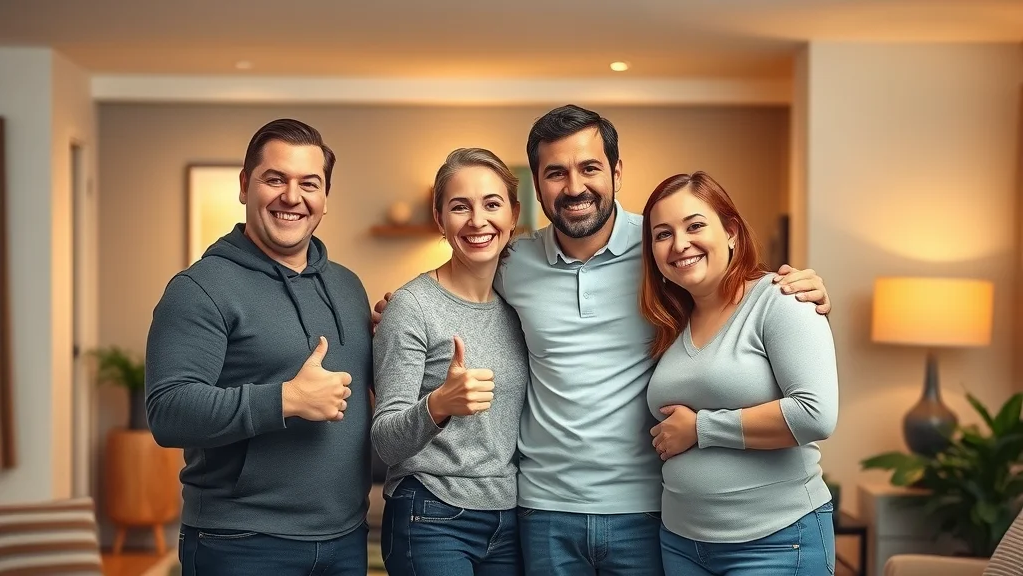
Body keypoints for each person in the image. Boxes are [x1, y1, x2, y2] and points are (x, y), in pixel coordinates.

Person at [374, 104, 832, 575]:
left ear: (616, 172)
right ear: (535, 187)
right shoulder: (514, 262)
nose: (574, 187)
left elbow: (725, 290)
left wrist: (797, 292)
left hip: (647, 507)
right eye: (555, 173)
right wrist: (401, 309)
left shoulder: (662, 249)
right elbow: (459, 289)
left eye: (589, 167)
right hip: (542, 508)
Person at [145, 118, 373, 576]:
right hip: (241, 543)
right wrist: (285, 398)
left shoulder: (348, 287)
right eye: (275, 179)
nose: (292, 197)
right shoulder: (200, 288)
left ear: (325, 198)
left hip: (346, 538)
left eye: (309, 183)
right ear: (246, 185)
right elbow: (167, 412)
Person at [639, 171, 838, 575]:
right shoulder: (672, 323)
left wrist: (701, 429)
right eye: (662, 234)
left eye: (695, 225)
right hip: (680, 542)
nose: (680, 244)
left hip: (777, 540)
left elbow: (815, 414)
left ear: (731, 232)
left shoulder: (781, 298)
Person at [371, 148, 529, 575]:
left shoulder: (522, 308)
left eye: (492, 204)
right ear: (440, 220)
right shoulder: (411, 307)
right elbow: (384, 441)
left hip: (510, 514)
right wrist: (438, 404)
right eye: (460, 207)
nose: (478, 221)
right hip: (431, 513)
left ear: (513, 215)